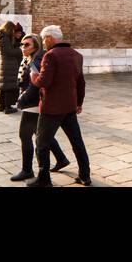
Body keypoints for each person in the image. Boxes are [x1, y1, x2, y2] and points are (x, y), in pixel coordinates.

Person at [29, 24, 90, 187]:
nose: (43, 42)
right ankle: (85, 176)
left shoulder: (50, 56)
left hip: (51, 109)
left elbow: (44, 82)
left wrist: (34, 76)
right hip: (69, 107)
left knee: (41, 144)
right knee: (77, 142)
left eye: (43, 39)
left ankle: (44, 179)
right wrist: (79, 103)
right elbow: (81, 83)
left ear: (49, 38)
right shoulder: (77, 55)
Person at [9, 33, 69, 182]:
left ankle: (27, 170)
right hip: (31, 102)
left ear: (36, 46)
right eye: (22, 44)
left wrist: (22, 99)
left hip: (33, 103)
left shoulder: (37, 60)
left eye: (27, 44)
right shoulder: (29, 58)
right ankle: (61, 158)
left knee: (25, 135)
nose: (23, 47)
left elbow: (36, 84)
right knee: (40, 133)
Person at [0, 20, 22, 113]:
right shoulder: (5, 38)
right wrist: (20, 51)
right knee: (9, 86)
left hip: (7, 64)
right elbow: (8, 52)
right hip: (9, 65)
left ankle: (2, 106)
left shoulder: (3, 37)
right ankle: (8, 107)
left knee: (5, 86)